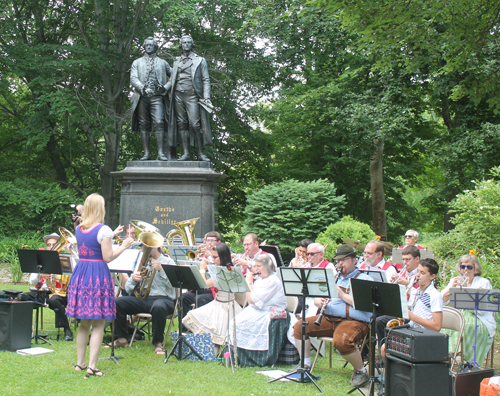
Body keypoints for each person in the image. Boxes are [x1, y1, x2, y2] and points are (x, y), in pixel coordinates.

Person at [66, 193, 134, 377]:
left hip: (81, 273)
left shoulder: (80, 227)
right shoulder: (103, 229)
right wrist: (124, 246)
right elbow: (107, 257)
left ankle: (79, 363)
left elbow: (91, 243)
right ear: (100, 208)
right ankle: (92, 366)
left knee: (84, 323)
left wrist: (112, 235)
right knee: (98, 323)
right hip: (97, 275)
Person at [292, 245, 374, 387]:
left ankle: (360, 371)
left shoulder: (364, 279)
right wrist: (319, 302)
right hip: (329, 318)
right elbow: (318, 298)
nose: (340, 263)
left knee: (341, 341)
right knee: (300, 326)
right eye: (338, 261)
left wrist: (342, 295)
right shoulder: (333, 278)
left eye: (344, 260)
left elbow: (366, 305)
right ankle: (304, 365)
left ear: (354, 260)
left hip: (354, 321)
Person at [113, 247, 177, 355]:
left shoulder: (168, 261)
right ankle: (121, 338)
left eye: (149, 246)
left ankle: (158, 342)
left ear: (157, 246)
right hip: (144, 299)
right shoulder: (142, 263)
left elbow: (174, 284)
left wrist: (161, 270)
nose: (145, 249)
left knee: (158, 307)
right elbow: (128, 289)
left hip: (164, 299)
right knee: (117, 302)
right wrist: (133, 280)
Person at [182, 243, 243, 351]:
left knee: (212, 326)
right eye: (212, 257)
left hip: (225, 306)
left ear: (223, 257)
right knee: (192, 316)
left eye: (215, 257)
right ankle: (211, 347)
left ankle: (214, 348)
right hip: (219, 302)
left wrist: (202, 269)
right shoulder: (227, 268)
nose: (213, 260)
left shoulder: (223, 272)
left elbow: (203, 284)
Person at [230, 254, 288, 367]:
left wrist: (248, 282)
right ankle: (237, 357)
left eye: (259, 266)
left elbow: (252, 300)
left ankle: (255, 359)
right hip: (257, 310)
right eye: (255, 266)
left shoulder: (272, 281)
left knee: (242, 323)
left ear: (268, 267)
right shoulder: (262, 279)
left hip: (268, 312)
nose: (256, 269)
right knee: (234, 322)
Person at [380, 258, 443, 359]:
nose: (418, 275)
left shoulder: (435, 295)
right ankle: (389, 374)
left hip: (425, 336)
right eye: (418, 271)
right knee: (384, 348)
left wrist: (412, 317)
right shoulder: (414, 291)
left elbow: (437, 326)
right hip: (412, 332)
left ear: (432, 276)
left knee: (388, 348)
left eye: (423, 273)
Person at [441, 255, 496, 365]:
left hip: (478, 317)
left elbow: (483, 310)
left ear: (475, 268)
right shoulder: (455, 280)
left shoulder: (483, 282)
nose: (465, 270)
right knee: (442, 325)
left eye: (469, 267)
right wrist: (450, 287)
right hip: (458, 314)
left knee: (467, 327)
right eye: (463, 266)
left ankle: (467, 360)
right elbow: (441, 301)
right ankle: (447, 354)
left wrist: (466, 290)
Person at [165, 35, 212, 161]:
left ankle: (201, 153)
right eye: (184, 42)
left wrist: (206, 97)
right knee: (181, 124)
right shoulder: (176, 61)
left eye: (188, 42)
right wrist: (165, 88)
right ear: (181, 45)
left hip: (192, 95)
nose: (186, 44)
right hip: (177, 95)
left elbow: (205, 79)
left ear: (192, 44)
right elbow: (172, 79)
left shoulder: (200, 60)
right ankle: (185, 153)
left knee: (195, 124)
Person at [131, 36, 172, 161]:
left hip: (157, 97)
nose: (149, 47)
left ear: (155, 47)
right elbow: (133, 78)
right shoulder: (137, 62)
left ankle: (160, 153)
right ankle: (146, 153)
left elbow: (174, 76)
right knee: (144, 124)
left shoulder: (163, 63)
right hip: (142, 97)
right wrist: (142, 88)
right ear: (144, 46)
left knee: (159, 122)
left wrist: (165, 88)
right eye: (147, 45)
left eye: (151, 45)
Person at [28, 233, 73, 341]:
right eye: (49, 245)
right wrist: (41, 275)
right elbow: (31, 281)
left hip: (61, 294)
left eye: (54, 244)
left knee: (54, 300)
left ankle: (67, 329)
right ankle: (26, 330)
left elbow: (75, 275)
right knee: (23, 297)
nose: (51, 247)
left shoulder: (66, 259)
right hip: (43, 292)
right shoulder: (40, 259)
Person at [375, 246, 421, 349]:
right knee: (375, 315)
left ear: (417, 259)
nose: (405, 263)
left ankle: (389, 352)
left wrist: (407, 283)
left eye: (408, 259)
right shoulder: (403, 273)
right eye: (403, 259)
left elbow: (421, 292)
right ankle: (382, 353)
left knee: (380, 321)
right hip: (400, 309)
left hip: (413, 312)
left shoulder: (420, 274)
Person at [181, 231, 221, 315]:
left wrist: (210, 257)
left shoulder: (221, 254)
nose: (209, 243)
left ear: (218, 242)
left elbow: (218, 267)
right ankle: (184, 327)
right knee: (183, 297)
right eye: (207, 240)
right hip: (199, 288)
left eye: (212, 240)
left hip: (212, 290)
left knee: (199, 299)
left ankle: (199, 326)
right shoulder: (202, 255)